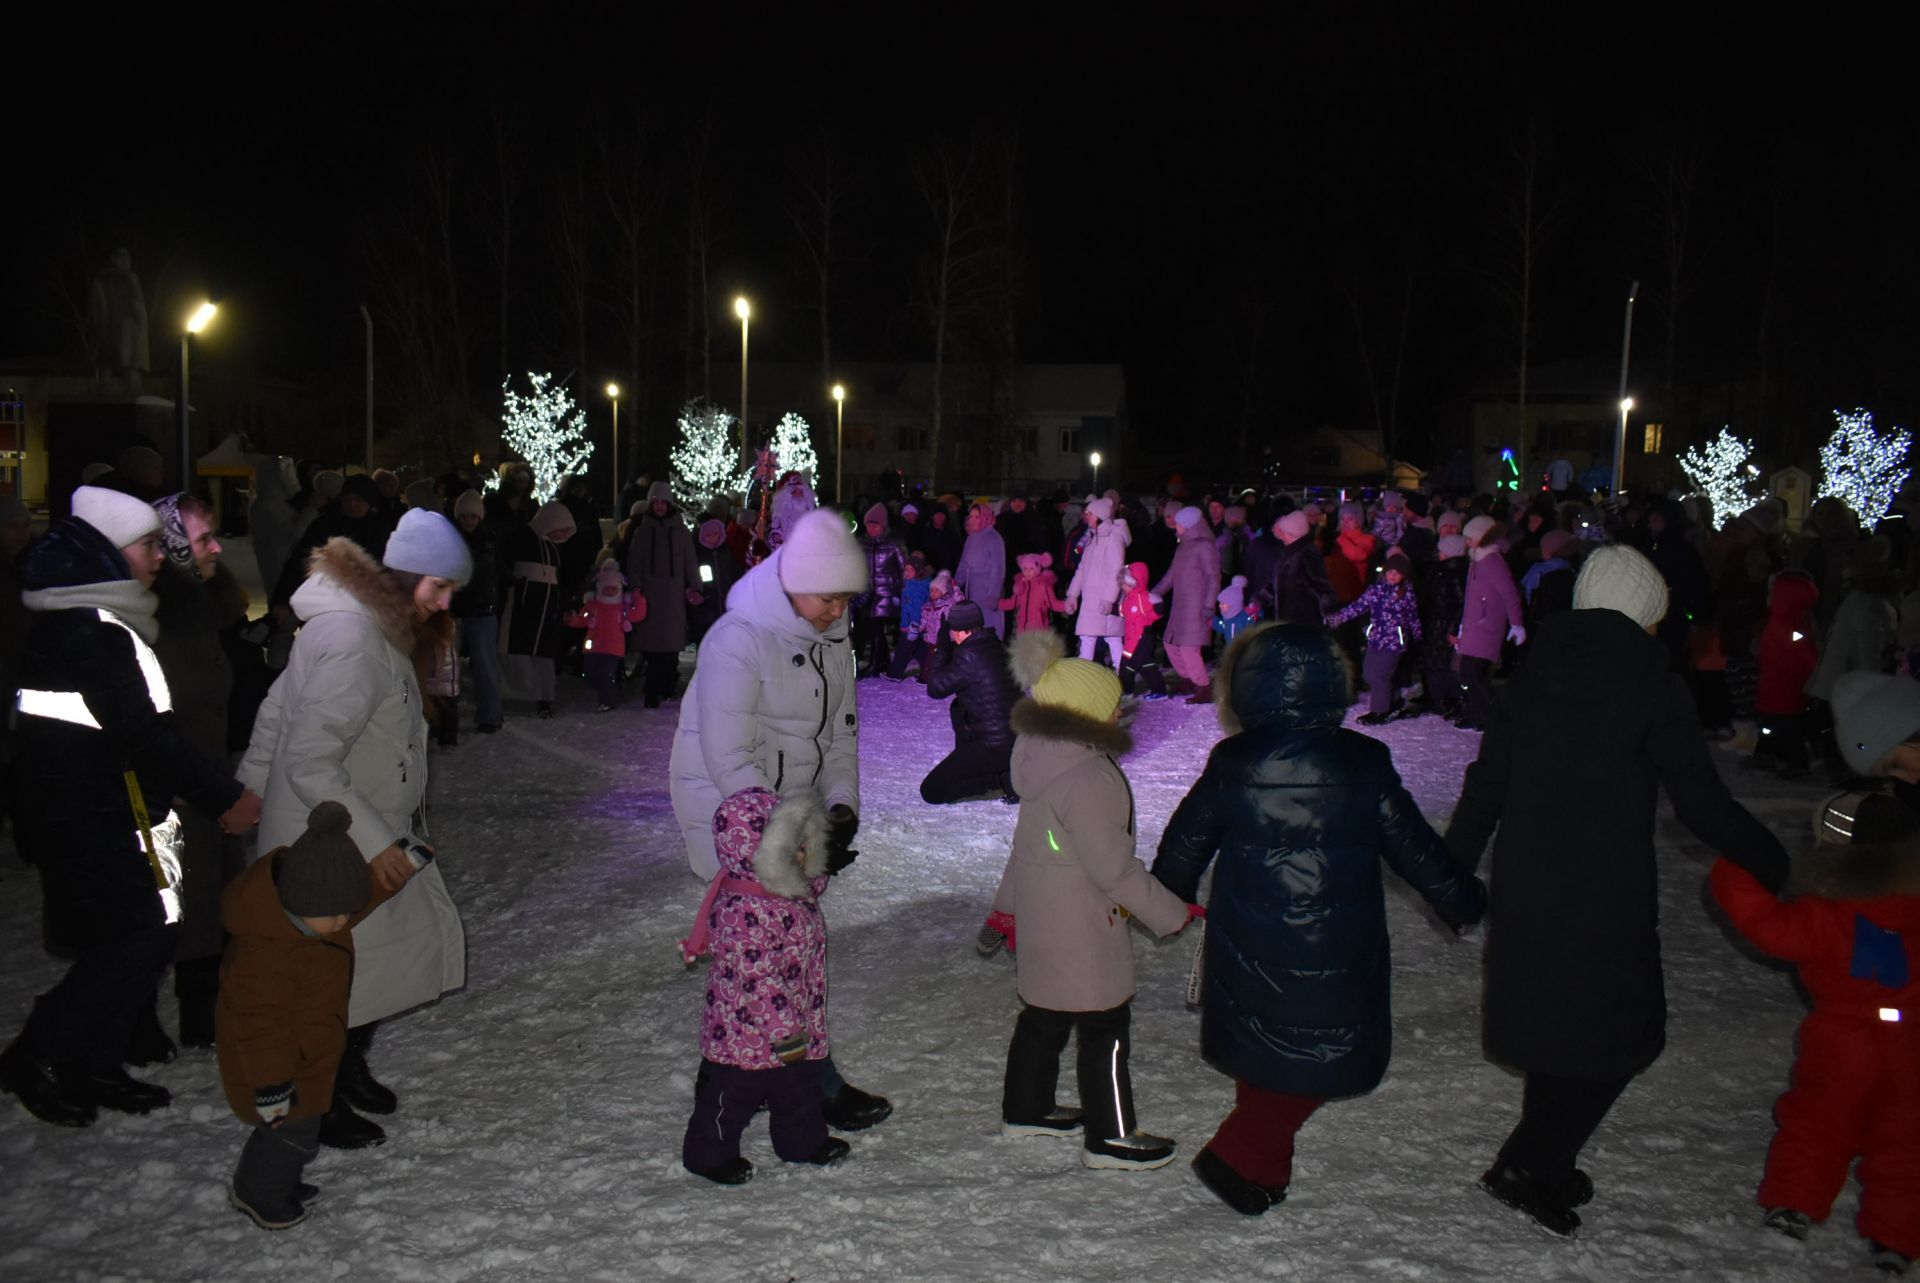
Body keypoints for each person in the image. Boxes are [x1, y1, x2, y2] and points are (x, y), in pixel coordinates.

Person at [1444, 545, 1791, 1237]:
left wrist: (1450, 872)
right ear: (1643, 614)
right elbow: (1699, 802)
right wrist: (1775, 861)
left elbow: (1486, 789)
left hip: (1530, 887)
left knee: (1558, 1029)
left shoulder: (1531, 680)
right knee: (1627, 1031)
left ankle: (1547, 1155)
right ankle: (1526, 1161)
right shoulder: (1654, 688)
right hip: (1606, 893)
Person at [1152, 623, 1485, 1215]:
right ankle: (1241, 1156)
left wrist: (1166, 895)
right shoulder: (1362, 760)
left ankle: (1262, 1169)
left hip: (1250, 934)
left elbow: (1185, 841)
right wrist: (1461, 898)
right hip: (1334, 940)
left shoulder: (1236, 760)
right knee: (1312, 1050)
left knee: (1265, 1039)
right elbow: (1415, 847)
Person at [0, 487, 261, 1127]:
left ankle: (94, 1061)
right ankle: (38, 1055)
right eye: (147, 545)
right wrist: (225, 796)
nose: (156, 557)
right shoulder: (93, 632)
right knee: (132, 939)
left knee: (141, 935)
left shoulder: (95, 621)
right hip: (89, 811)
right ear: (113, 554)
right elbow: (142, 733)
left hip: (100, 804)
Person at [238, 508, 472, 1151]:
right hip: (341, 838)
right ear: (403, 575)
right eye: (439, 586)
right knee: (336, 975)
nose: (445, 602)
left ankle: (348, 1068)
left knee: (374, 965)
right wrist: (382, 846)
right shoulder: (353, 640)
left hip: (360, 824)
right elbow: (309, 751)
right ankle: (325, 1093)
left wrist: (251, 787)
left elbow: (278, 707)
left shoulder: (369, 629)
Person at [667, 507, 892, 1133]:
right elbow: (728, 757)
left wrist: (841, 808)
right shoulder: (737, 638)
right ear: (793, 581)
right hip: (731, 815)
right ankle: (741, 1100)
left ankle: (795, 1088)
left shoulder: (834, 637)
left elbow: (841, 734)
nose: (838, 610)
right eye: (828, 596)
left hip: (790, 820)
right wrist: (781, 839)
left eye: (847, 598)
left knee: (792, 962)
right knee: (760, 969)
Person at [993, 629, 1199, 1170]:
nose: (1117, 717)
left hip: (1044, 922)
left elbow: (1025, 849)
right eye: (1109, 709)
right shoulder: (1087, 776)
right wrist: (1169, 913)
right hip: (1082, 928)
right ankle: (1110, 1137)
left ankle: (1026, 1108)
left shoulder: (1040, 759)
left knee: (1044, 1015)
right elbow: (1113, 868)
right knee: (1104, 1028)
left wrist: (1007, 909)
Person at [1707, 790, 1920, 1273]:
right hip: (1913, 1042)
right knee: (1906, 1140)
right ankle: (1897, 1241)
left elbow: (1769, 925)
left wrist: (1735, 869)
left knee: (1818, 1123)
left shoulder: (1829, 911)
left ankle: (1793, 1209)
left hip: (1843, 1038)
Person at [219, 801, 394, 1230]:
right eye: (332, 916)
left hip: (309, 1054)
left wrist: (401, 865)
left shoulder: (312, 912)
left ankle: (272, 1182)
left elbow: (362, 894)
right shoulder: (266, 957)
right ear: (298, 902)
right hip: (276, 1068)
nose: (341, 924)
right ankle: (258, 1195)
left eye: (344, 914)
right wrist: (273, 1086)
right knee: (289, 1135)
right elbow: (259, 1029)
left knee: (297, 1133)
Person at [679, 787, 850, 1184]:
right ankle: (708, 1154)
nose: (803, 856)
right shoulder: (745, 913)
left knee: (799, 1088)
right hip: (743, 1034)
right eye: (792, 850)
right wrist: (784, 1030)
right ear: (758, 857)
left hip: (794, 1021)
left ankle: (802, 1142)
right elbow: (757, 982)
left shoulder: (782, 896)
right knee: (730, 1097)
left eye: (804, 845)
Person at [147, 493, 251, 1052]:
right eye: (202, 538)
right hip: (171, 790)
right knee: (168, 902)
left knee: (211, 894)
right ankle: (145, 1020)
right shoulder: (155, 619)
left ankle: (203, 1010)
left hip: (206, 779)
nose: (216, 546)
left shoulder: (204, 608)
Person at [921, 601, 1020, 803]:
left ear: (958, 630)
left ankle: (1000, 782)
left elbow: (935, 688)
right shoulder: (995, 645)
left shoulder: (970, 655)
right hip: (1014, 740)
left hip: (993, 746)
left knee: (931, 791)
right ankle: (1004, 773)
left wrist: (941, 648)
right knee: (958, 707)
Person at [625, 482, 704, 708]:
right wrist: (636, 587)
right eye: (655, 502)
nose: (659, 506)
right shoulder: (642, 532)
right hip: (649, 595)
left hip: (673, 596)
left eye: (663, 502)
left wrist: (695, 586)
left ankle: (666, 683)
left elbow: (690, 562)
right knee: (651, 644)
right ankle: (653, 687)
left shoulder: (681, 533)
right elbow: (635, 561)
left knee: (670, 643)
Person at [1326, 553, 1423, 724]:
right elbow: (1358, 606)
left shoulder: (1406, 594)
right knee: (1369, 674)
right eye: (1390, 571)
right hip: (1376, 638)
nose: (1393, 575)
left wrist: (1417, 635)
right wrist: (1340, 617)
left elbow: (1413, 617)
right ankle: (1390, 699)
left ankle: (1380, 710)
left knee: (1380, 676)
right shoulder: (1375, 590)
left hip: (1394, 642)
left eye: (1398, 573)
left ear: (1404, 575)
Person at [500, 501, 576, 718]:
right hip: (526, 604)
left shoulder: (551, 548)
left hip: (546, 606)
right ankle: (519, 692)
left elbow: (558, 579)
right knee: (520, 646)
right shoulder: (522, 539)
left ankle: (543, 696)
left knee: (544, 652)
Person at [1453, 515, 1523, 731]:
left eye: (1470, 538)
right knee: (1468, 672)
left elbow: (1510, 593)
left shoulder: (1491, 562)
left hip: (1487, 625)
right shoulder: (1478, 560)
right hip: (1476, 625)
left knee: (1473, 672)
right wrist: (1463, 626)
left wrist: (1516, 623)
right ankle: (1479, 715)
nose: (1467, 542)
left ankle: (1494, 715)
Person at [1750, 570, 1820, 778]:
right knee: (1771, 723)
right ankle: (1767, 754)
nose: (1769, 598)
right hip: (1775, 684)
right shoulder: (1784, 622)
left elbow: (1805, 654)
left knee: (1787, 727)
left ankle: (1797, 763)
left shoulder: (1790, 626)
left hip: (1784, 688)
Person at [1153, 505, 1223, 704]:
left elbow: (1213, 577)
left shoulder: (1204, 546)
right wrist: (1155, 593)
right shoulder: (1183, 545)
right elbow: (1171, 575)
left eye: (1179, 524)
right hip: (1179, 603)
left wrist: (1209, 605)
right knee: (1169, 642)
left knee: (1189, 648)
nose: (1176, 527)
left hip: (1197, 605)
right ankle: (1188, 678)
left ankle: (1203, 686)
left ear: (1189, 525)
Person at [450, 489, 504, 734]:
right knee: (447, 668)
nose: (469, 521)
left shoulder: (489, 541)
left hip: (482, 610)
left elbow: (499, 573)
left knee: (485, 667)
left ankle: (490, 716)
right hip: (456, 611)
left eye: (473, 516)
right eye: (464, 517)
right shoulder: (450, 541)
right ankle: (446, 717)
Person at [565, 560, 647, 712]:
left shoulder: (622, 608)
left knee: (605, 674)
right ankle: (608, 695)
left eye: (613, 588)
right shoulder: (593, 606)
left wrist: (638, 598)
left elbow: (638, 614)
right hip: (593, 647)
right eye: (607, 588)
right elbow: (582, 620)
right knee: (589, 673)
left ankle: (607, 700)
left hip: (613, 649)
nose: (610, 591)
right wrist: (572, 619)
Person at [1062, 498, 1130, 671]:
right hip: (1091, 598)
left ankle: (1121, 674)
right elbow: (1082, 568)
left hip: (1104, 598)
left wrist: (1109, 599)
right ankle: (1085, 673)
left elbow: (1116, 571)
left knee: (1112, 638)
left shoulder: (1113, 538)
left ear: (1099, 515)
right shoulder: (1092, 537)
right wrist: (1072, 594)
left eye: (1089, 513)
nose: (1086, 516)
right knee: (1087, 636)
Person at [1258, 510, 1339, 628]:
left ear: (1290, 533)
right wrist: (1260, 600)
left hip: (1303, 622)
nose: (1281, 537)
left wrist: (1330, 614)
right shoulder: (1289, 554)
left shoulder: (1306, 555)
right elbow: (1279, 583)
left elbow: (1323, 587)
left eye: (1283, 533)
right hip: (1288, 621)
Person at [855, 504, 905, 678]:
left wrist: (900, 592)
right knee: (872, 628)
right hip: (866, 593)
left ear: (883, 526)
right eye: (869, 524)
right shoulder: (861, 543)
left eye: (876, 525)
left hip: (887, 593)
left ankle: (875, 664)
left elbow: (904, 569)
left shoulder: (893, 545)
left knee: (876, 626)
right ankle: (883, 662)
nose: (872, 528)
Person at [1117, 561, 1169, 700]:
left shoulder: (1143, 597)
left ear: (1134, 582)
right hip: (1131, 638)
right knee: (1146, 664)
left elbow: (1156, 613)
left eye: (1125, 584)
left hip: (1142, 638)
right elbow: (1123, 612)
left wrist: (1159, 605)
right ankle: (1159, 691)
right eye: (1121, 583)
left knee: (1127, 666)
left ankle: (1127, 691)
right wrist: (1111, 609)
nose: (1122, 587)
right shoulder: (1128, 599)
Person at [955, 502, 1008, 637]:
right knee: (975, 622)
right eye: (971, 516)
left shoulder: (994, 538)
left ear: (985, 517)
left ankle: (994, 650)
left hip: (987, 588)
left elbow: (999, 569)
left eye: (976, 517)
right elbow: (963, 564)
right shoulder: (971, 538)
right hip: (973, 588)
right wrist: (955, 584)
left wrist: (993, 594)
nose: (972, 520)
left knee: (990, 622)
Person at [1000, 552, 1064, 637]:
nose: (1028, 572)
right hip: (1022, 631)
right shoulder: (1021, 585)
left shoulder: (1043, 586)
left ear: (1038, 568)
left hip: (1039, 631)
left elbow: (1053, 604)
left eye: (1031, 568)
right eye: (1025, 568)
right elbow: (1012, 603)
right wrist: (998, 604)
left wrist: (1066, 606)